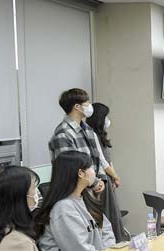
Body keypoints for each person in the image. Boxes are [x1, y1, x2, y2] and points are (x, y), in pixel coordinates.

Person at [48, 89, 126, 241]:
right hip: (76, 192)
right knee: (86, 236)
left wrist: (101, 180)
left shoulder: (87, 129)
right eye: (87, 103)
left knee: (103, 231)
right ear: (77, 107)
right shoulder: (63, 134)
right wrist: (94, 182)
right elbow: (70, 168)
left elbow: (98, 159)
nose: (90, 106)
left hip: (92, 188)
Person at [86, 102, 126, 241]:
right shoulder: (91, 135)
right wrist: (115, 177)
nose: (108, 120)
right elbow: (102, 162)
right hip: (102, 179)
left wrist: (115, 177)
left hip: (108, 178)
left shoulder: (99, 135)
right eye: (106, 116)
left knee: (113, 212)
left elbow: (108, 161)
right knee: (109, 213)